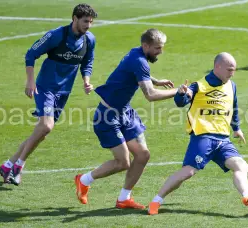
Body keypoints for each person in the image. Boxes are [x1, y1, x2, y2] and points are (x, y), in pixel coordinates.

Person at [148, 52, 248, 215]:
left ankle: (247, 196)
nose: (232, 73)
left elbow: (233, 107)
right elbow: (182, 102)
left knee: (241, 165)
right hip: (203, 137)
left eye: (234, 70)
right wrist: (180, 93)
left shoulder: (231, 86)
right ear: (217, 67)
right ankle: (156, 201)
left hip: (223, 140)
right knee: (188, 172)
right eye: (229, 69)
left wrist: (237, 128)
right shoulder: (198, 86)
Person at [74, 28, 177, 209]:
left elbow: (136, 71)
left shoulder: (136, 54)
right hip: (107, 116)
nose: (160, 52)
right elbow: (150, 95)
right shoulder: (139, 60)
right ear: (145, 45)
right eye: (157, 48)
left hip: (125, 113)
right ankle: (83, 180)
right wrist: (178, 92)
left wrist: (155, 80)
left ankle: (124, 199)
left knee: (143, 155)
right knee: (123, 162)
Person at [0, 3, 98, 185]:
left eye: (91, 22)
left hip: (64, 92)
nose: (88, 26)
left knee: (41, 132)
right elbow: (31, 54)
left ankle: (8, 165)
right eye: (85, 21)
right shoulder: (56, 35)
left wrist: (86, 80)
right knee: (46, 126)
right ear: (74, 18)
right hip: (45, 87)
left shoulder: (89, 39)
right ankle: (19, 166)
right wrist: (30, 80)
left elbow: (88, 62)